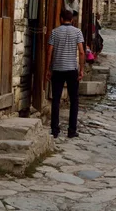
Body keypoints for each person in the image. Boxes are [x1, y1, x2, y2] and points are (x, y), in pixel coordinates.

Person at [45, 8, 85, 139]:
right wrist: (82, 69)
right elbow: (81, 52)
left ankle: (55, 130)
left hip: (57, 69)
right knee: (74, 100)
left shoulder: (54, 32)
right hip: (72, 69)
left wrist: (48, 69)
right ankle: (72, 130)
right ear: (72, 20)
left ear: (61, 19)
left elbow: (49, 52)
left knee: (55, 100)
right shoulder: (77, 32)